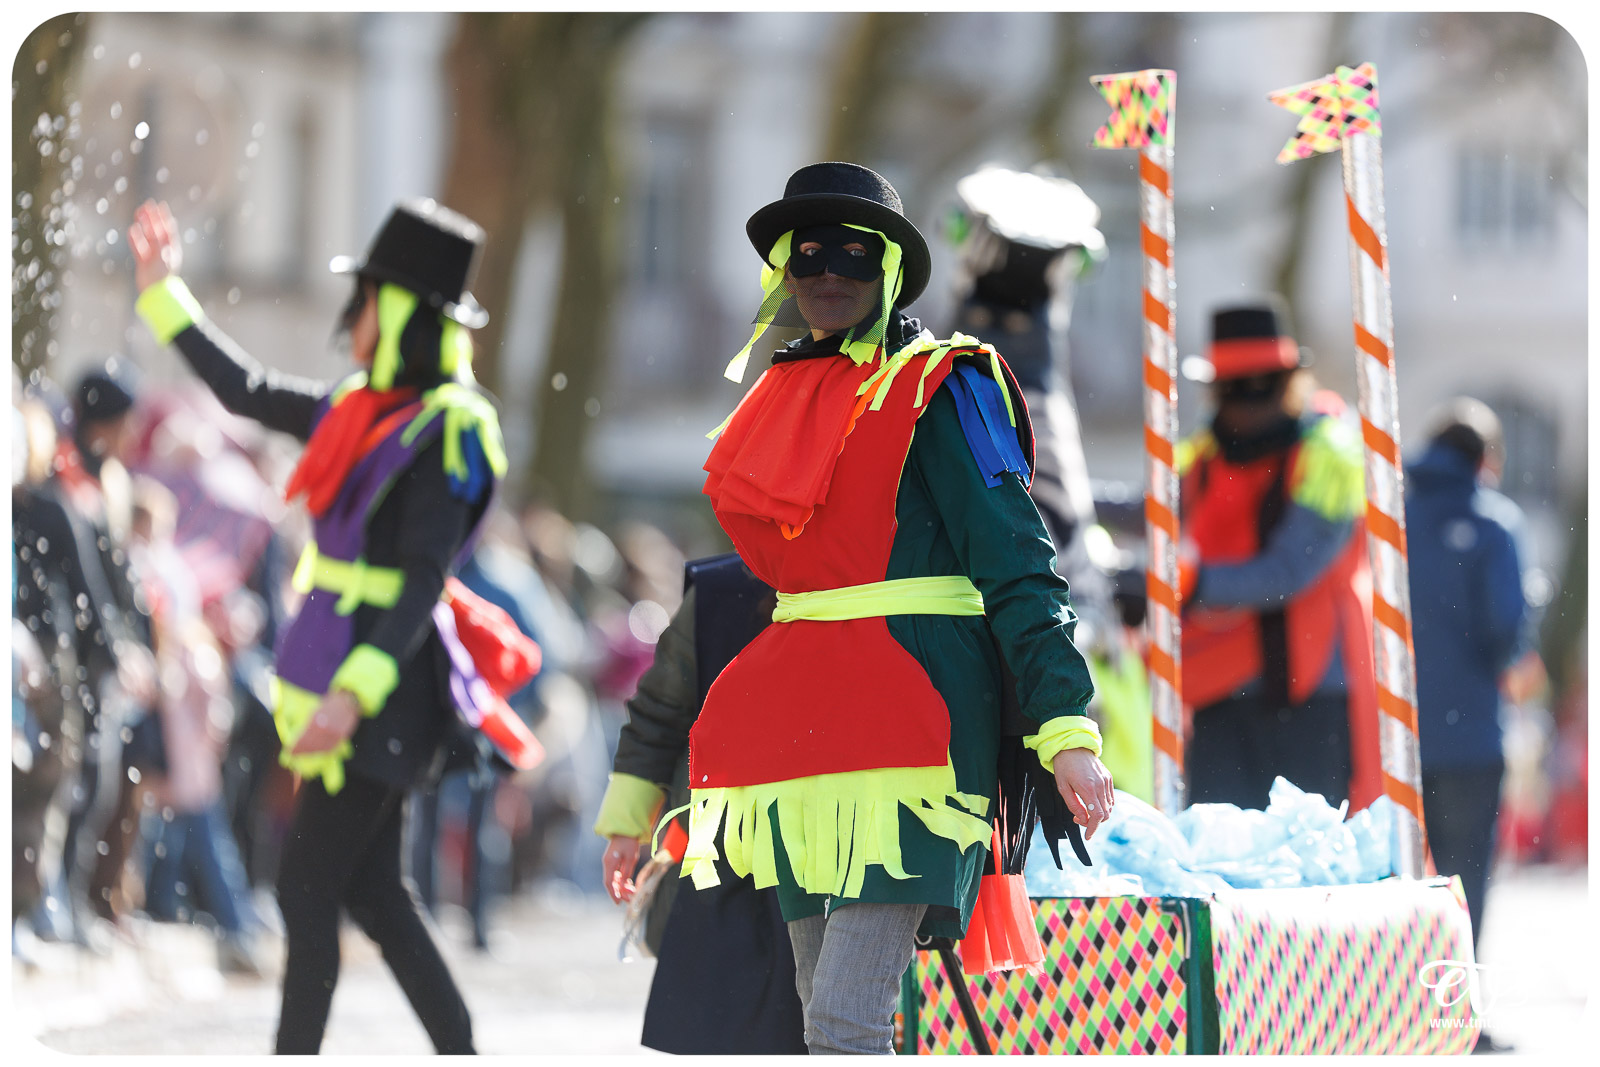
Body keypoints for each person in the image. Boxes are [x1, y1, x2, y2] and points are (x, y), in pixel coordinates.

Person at [679, 161, 1112, 1055]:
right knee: (818, 1009)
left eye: (850, 253)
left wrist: (1065, 724)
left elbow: (1018, 559)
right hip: (802, 723)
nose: (826, 272)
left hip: (915, 723)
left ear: (887, 266)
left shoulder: (945, 383)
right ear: (784, 275)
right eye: (806, 257)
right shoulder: (775, 399)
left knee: (844, 1015)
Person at [127, 195, 513, 1053]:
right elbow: (246, 389)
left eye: (369, 298)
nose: (355, 318)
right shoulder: (354, 408)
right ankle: (463, 1049)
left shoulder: (451, 429)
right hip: (346, 672)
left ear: (404, 312)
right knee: (373, 894)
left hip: (389, 684)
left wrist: (354, 691)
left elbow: (421, 581)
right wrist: (165, 292)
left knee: (306, 889)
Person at [596, 555, 808, 1054]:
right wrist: (627, 828)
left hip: (835, 859)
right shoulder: (720, 592)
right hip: (722, 860)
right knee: (716, 1030)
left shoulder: (881, 577)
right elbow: (660, 712)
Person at [1177, 300, 1380, 811]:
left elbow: (1290, 570)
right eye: (1232, 389)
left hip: (1307, 691)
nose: (1244, 406)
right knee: (1219, 861)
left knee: (1310, 868)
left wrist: (1193, 584)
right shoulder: (1200, 458)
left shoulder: (1330, 454)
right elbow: (1154, 508)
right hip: (1217, 692)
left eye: (1256, 386)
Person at [1406, 399, 1537, 956]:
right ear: (1486, 458)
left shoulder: (1394, 517)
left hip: (1396, 735)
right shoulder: (1494, 522)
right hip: (1471, 737)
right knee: (1464, 880)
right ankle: (1454, 1016)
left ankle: (1399, 1010)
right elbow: (1504, 630)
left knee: (1404, 877)